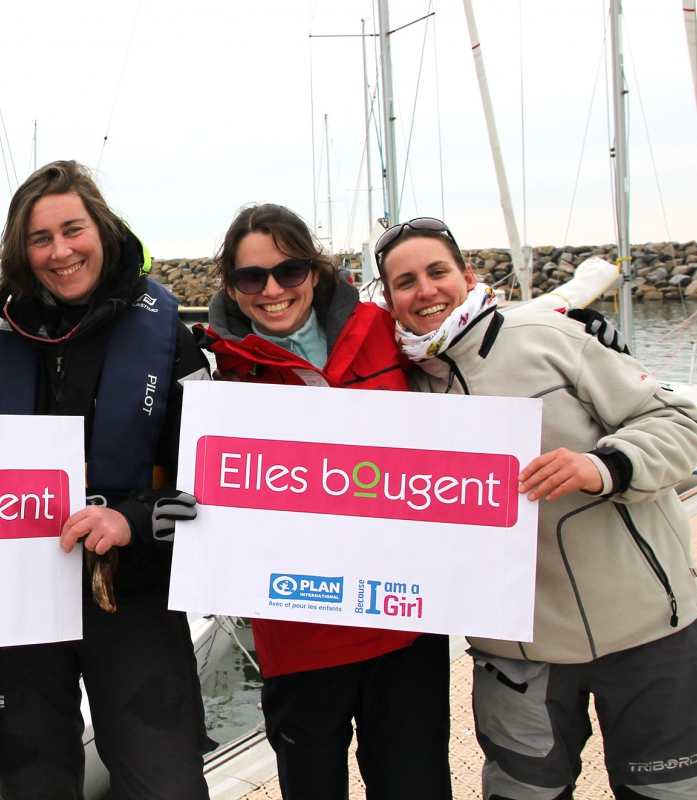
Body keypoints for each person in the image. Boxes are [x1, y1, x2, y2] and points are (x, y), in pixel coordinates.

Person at [376, 216, 697, 799]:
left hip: (647, 633)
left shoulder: (548, 334)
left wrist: (605, 466)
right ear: (389, 301)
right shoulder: (399, 386)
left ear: (468, 275)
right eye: (405, 282)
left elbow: (676, 421)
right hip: (517, 658)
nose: (425, 290)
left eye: (438, 272)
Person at [0, 160, 213, 800]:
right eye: (39, 238)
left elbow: (204, 481)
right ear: (21, 252)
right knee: (33, 783)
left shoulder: (170, 342)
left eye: (72, 229)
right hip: (21, 603)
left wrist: (130, 520)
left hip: (129, 593)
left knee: (167, 784)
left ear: (102, 230)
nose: (60, 251)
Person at [196, 203, 453, 799]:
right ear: (232, 288)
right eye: (250, 278)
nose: (272, 290)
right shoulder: (213, 374)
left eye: (288, 272)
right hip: (298, 633)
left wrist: (572, 329)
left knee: (416, 786)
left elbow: (473, 363)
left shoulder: (387, 333)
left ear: (314, 271)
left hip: (404, 625)